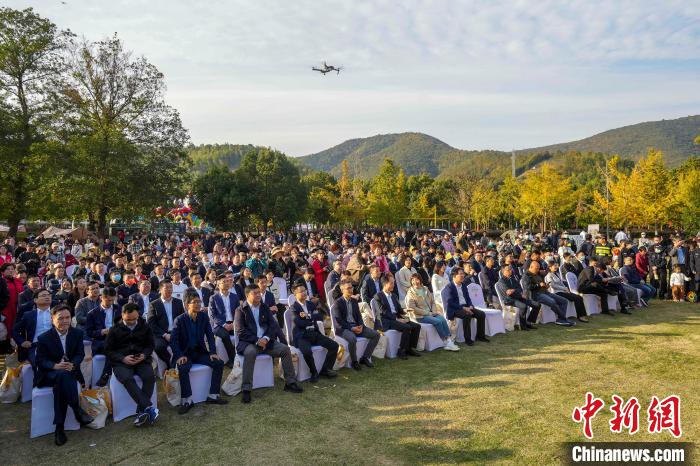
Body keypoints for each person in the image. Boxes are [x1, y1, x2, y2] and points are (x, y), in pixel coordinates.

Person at [34, 304, 94, 446]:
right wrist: (55, 366)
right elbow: (40, 361)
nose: (65, 321)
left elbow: (80, 354)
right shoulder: (43, 338)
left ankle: (59, 428)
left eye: (67, 317)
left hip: (69, 372)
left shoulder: (77, 333)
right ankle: (76, 409)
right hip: (49, 375)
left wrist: (73, 364)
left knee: (61, 383)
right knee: (61, 376)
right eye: (60, 318)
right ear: (52, 319)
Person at [234, 284, 303, 403]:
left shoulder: (264, 307)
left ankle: (290, 382)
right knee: (250, 353)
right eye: (254, 293)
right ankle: (246, 389)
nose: (258, 295)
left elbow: (273, 326)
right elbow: (240, 331)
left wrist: (265, 338)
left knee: (285, 350)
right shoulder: (240, 310)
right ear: (247, 295)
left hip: (266, 341)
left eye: (258, 292)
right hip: (250, 342)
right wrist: (257, 340)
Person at [171, 291, 227, 414]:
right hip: (185, 354)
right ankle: (187, 400)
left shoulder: (203, 316)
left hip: (200, 352)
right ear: (186, 305)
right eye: (194, 302)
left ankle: (213, 395)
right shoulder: (179, 320)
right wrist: (179, 356)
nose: (197, 304)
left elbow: (210, 335)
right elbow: (173, 341)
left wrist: (212, 351)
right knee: (183, 368)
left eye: (199, 302)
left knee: (218, 363)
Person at [104, 302, 159, 426]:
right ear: (123, 315)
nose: (133, 322)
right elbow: (108, 350)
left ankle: (142, 410)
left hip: (141, 359)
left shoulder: (144, 326)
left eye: (135, 318)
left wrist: (144, 355)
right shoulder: (114, 329)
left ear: (138, 315)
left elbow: (151, 345)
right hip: (121, 362)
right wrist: (123, 358)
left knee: (149, 376)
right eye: (129, 320)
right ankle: (148, 407)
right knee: (127, 378)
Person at [289, 284, 338, 382]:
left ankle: (326, 369)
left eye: (305, 290)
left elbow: (320, 316)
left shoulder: (310, 304)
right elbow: (299, 323)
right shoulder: (293, 307)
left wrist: (308, 315)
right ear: (295, 295)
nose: (304, 293)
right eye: (301, 291)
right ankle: (314, 372)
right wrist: (311, 319)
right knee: (307, 351)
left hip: (314, 332)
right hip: (302, 335)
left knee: (334, 346)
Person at [330, 280, 380, 370]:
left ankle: (365, 357)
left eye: (351, 287)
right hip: (344, 329)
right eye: (348, 288)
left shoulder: (354, 301)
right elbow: (339, 322)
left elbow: (359, 316)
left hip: (356, 326)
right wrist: (352, 328)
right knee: (352, 339)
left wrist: (361, 325)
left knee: (376, 335)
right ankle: (354, 362)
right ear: (342, 290)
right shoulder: (337, 303)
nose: (350, 290)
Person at [403, 273, 458, 351]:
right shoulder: (410, 293)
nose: (415, 281)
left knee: (442, 319)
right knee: (437, 321)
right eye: (413, 280)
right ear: (411, 281)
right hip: (420, 316)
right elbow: (413, 308)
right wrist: (428, 313)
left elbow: (432, 302)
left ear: (420, 280)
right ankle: (445, 341)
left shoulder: (425, 288)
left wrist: (434, 311)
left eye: (417, 279)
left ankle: (449, 340)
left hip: (431, 312)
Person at [373, 274, 422, 358]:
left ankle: (410, 348)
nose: (393, 285)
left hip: (396, 318)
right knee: (406, 327)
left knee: (417, 326)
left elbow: (399, 310)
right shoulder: (378, 296)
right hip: (385, 321)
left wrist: (405, 311)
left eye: (394, 283)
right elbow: (382, 312)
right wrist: (397, 319)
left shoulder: (394, 296)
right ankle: (401, 350)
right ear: (385, 284)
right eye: (391, 283)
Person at [443, 267, 489, 345]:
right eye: (460, 274)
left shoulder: (463, 285)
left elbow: (468, 298)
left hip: (466, 307)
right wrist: (463, 308)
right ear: (454, 276)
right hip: (455, 309)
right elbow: (450, 303)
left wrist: (470, 305)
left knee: (481, 314)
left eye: (463, 274)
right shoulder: (449, 287)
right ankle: (468, 339)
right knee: (467, 315)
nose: (462, 275)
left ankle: (480, 336)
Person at [85, 287, 121, 386]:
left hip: (118, 339)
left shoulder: (119, 309)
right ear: (101, 298)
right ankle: (106, 374)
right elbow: (89, 332)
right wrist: (102, 332)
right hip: (100, 342)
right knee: (112, 347)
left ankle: (107, 374)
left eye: (112, 300)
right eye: (108, 300)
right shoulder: (92, 313)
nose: (110, 302)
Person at [522, 261, 575, 327]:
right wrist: (538, 285)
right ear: (531, 267)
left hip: (545, 292)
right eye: (536, 268)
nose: (538, 270)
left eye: (538, 268)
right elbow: (527, 287)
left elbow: (542, 283)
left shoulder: (537, 274)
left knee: (564, 301)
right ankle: (562, 319)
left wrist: (545, 286)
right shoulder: (526, 275)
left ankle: (560, 319)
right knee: (552, 301)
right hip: (535, 295)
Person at [147, 280, 184, 368]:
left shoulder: (178, 302)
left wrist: (177, 332)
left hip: (176, 331)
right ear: (160, 289)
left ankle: (182, 362)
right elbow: (151, 323)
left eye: (171, 287)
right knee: (158, 347)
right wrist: (164, 335)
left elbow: (182, 319)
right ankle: (170, 364)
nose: (169, 289)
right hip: (161, 334)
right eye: (166, 287)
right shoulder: (154, 304)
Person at [13, 288, 55, 365]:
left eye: (49, 295)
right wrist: (22, 342)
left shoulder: (57, 313)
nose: (47, 297)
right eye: (43, 295)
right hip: (36, 346)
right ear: (35, 300)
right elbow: (14, 330)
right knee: (38, 363)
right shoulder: (28, 315)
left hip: (56, 345)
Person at [208, 274, 240, 368]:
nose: (226, 283)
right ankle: (232, 359)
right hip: (219, 325)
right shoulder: (213, 298)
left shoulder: (234, 296)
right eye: (224, 282)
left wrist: (234, 323)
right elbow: (212, 315)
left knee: (243, 332)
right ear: (218, 284)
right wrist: (224, 324)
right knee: (225, 335)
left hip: (233, 323)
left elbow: (238, 312)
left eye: (228, 281)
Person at [495, 265, 540, 330]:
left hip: (518, 297)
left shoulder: (513, 279)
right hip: (509, 300)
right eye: (508, 270)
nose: (510, 271)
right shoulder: (501, 281)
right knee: (523, 306)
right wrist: (516, 290)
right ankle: (522, 325)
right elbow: (509, 292)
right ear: (503, 272)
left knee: (537, 305)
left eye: (510, 269)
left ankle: (529, 322)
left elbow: (520, 289)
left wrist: (515, 291)